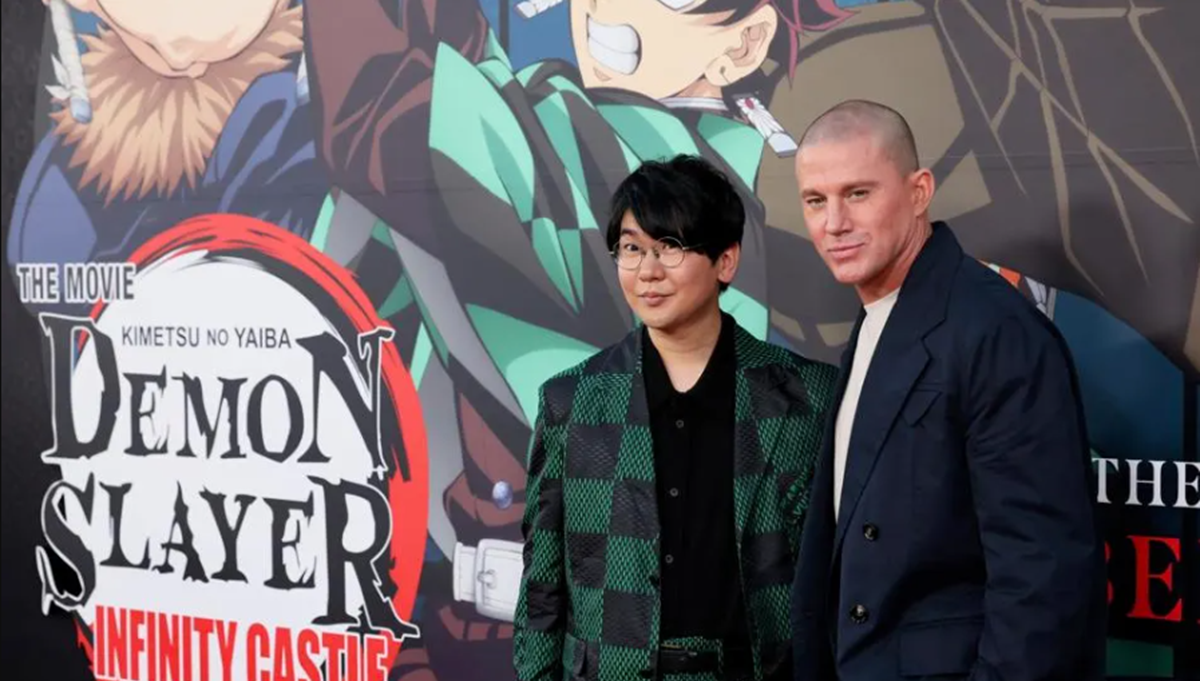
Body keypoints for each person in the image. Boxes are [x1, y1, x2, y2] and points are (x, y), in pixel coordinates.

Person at [788, 99, 1106, 681]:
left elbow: (1041, 572)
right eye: (815, 200)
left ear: (919, 192)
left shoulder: (995, 329)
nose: (834, 223)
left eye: (858, 193)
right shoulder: (882, 317)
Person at [513, 155, 838, 681]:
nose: (648, 271)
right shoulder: (571, 402)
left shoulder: (809, 397)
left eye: (670, 246)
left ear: (725, 261)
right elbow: (542, 589)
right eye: (631, 248)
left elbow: (838, 576)